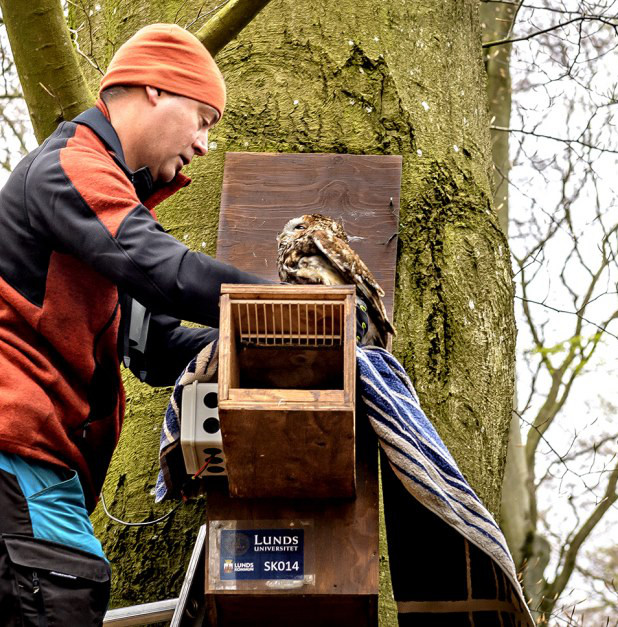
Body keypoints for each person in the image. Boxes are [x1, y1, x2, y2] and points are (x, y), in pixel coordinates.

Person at [0, 23, 269, 624]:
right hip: (16, 452)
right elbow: (161, 268)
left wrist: (260, 350)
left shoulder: (101, 221)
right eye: (202, 118)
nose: (204, 144)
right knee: (60, 591)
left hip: (45, 468)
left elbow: (155, 345)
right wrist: (291, 305)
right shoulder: (71, 165)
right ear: (153, 89)